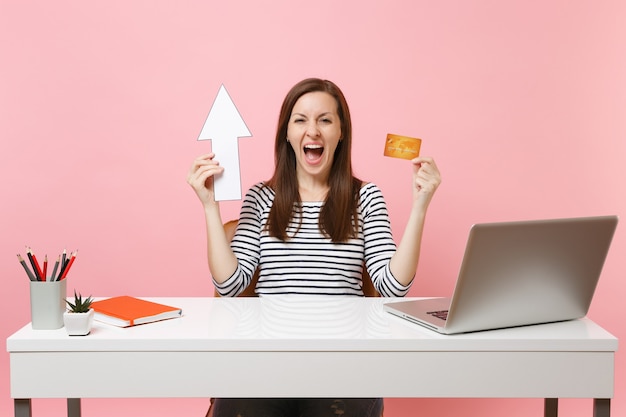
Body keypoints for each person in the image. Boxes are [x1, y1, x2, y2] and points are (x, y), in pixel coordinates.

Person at [187, 78, 441, 417]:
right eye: (301, 120)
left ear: (341, 133)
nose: (313, 131)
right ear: (287, 135)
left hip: (343, 369)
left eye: (325, 120)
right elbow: (230, 286)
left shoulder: (365, 198)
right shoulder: (261, 198)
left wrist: (421, 205)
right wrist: (209, 206)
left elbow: (393, 286)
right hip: (265, 368)